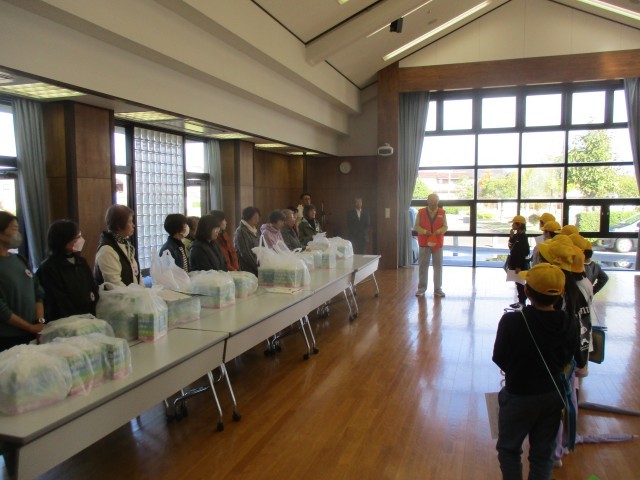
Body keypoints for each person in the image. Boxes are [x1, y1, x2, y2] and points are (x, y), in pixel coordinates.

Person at [493, 263, 578, 480]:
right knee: (543, 454)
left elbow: (499, 356)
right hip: (552, 395)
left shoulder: (512, 321)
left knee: (509, 449)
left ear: (527, 290)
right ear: (561, 292)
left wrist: (516, 370)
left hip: (518, 393)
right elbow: (569, 358)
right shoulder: (570, 323)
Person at [0, 211, 45, 351]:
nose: (18, 233)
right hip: (8, 339)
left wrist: (39, 322)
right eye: (14, 229)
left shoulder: (19, 259)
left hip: (32, 333)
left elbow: (37, 292)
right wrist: (29, 327)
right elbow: (2, 310)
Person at [37, 220, 99, 321]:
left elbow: (92, 287)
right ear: (64, 240)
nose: (81, 240)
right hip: (65, 321)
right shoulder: (49, 267)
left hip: (88, 317)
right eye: (77, 237)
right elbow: (57, 300)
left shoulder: (81, 262)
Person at [94, 204, 140, 286]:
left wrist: (142, 291)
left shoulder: (126, 245)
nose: (133, 225)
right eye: (130, 221)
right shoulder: (107, 250)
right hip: (117, 294)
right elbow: (115, 285)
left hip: (131, 292)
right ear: (119, 225)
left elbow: (136, 275)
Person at [414, 193, 447, 297]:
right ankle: (421, 289)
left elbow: (445, 227)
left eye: (435, 201)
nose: (433, 203)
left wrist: (439, 231)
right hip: (424, 243)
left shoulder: (442, 212)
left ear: (438, 201)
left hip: (437, 243)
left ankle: (438, 289)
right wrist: (425, 231)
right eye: (431, 200)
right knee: (423, 266)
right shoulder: (421, 212)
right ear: (428, 201)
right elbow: (416, 226)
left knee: (438, 267)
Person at [507, 215, 530, 309]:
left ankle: (522, 302)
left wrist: (518, 266)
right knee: (518, 283)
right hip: (514, 262)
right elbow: (511, 247)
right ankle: (520, 301)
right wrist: (511, 237)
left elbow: (524, 252)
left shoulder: (523, 237)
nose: (512, 225)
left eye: (514, 223)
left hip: (519, 264)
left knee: (520, 284)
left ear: (519, 225)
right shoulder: (517, 236)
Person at [234, 206, 261, 275]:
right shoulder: (241, 231)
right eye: (255, 217)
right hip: (247, 268)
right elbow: (245, 253)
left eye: (258, 217)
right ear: (248, 217)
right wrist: (257, 267)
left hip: (256, 264)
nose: (257, 220)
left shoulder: (253, 229)